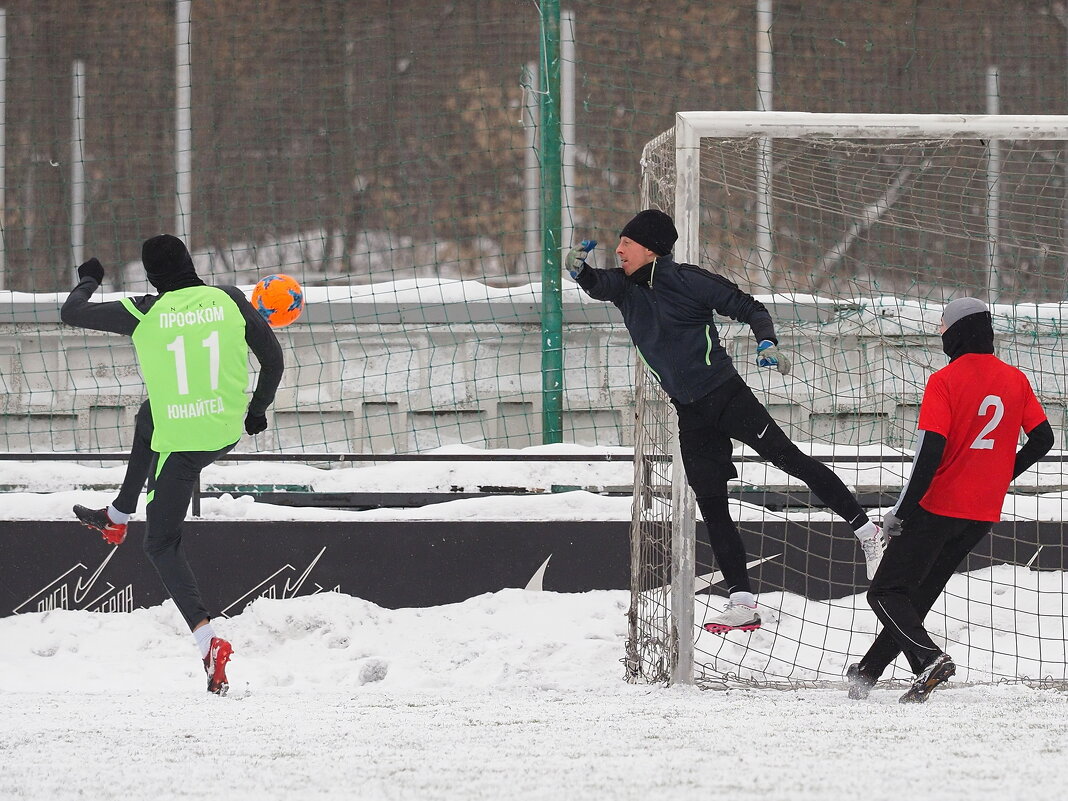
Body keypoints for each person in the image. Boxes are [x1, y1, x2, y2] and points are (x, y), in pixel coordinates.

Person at [568, 209, 885, 634]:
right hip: (690, 413)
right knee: (712, 504)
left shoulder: (687, 279)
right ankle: (742, 603)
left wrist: (767, 342)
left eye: (626, 242)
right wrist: (577, 269)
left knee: (789, 460)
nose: (619, 249)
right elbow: (594, 283)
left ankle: (867, 531)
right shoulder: (625, 288)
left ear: (650, 248)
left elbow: (750, 307)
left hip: (727, 396)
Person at [62, 235, 284, 695]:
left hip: (180, 444)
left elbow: (72, 313)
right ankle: (118, 516)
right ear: (190, 263)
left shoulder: (144, 311)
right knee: (148, 414)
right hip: (223, 430)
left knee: (161, 544)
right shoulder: (228, 299)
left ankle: (208, 643)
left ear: (151, 277)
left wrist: (88, 280)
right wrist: (257, 410)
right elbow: (273, 360)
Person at [847, 297, 1053, 703]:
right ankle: (868, 672)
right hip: (980, 513)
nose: (941, 337)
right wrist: (1000, 474)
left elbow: (929, 455)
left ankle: (929, 658)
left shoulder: (945, 381)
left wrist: (900, 513)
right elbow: (1043, 439)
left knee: (884, 593)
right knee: (916, 596)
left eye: (942, 329)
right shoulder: (1016, 379)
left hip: (938, 506)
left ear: (957, 332)